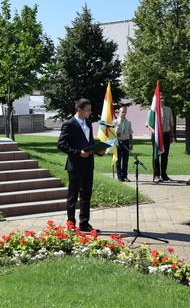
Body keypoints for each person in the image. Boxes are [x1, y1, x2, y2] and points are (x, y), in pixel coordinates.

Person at [57, 98, 104, 233]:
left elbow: (89, 143)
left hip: (88, 164)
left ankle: (84, 223)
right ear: (79, 110)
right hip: (75, 165)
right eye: (88, 110)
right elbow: (61, 145)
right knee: (73, 196)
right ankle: (71, 224)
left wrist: (98, 150)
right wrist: (78, 153)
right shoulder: (69, 124)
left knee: (86, 195)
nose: (90, 112)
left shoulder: (88, 124)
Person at [146, 92, 175, 183]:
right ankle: (156, 175)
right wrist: (154, 132)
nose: (162, 100)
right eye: (160, 99)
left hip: (166, 134)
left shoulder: (168, 109)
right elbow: (148, 124)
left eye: (163, 98)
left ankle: (164, 175)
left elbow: (171, 123)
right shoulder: (153, 110)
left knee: (165, 156)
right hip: (156, 136)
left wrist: (172, 135)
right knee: (156, 155)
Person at [114, 106, 133, 182]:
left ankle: (125, 176)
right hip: (118, 142)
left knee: (125, 160)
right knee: (118, 160)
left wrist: (131, 144)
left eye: (125, 112)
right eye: (122, 112)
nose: (124, 113)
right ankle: (119, 176)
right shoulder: (116, 122)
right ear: (119, 112)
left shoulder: (128, 122)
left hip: (126, 141)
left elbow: (130, 134)